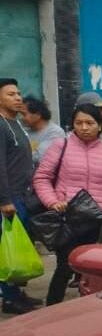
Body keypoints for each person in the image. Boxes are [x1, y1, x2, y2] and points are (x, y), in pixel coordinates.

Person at [31, 103, 102, 305]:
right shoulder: (61, 146)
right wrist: (53, 201)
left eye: (89, 123)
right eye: (78, 122)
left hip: (96, 220)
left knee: (94, 268)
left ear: (100, 125)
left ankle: (89, 308)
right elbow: (42, 177)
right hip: (68, 219)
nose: (84, 127)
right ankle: (52, 308)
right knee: (65, 266)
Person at [0, 78, 42, 314]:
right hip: (10, 199)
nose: (17, 98)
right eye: (10, 94)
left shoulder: (15, 124)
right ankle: (9, 297)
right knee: (8, 249)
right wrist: (4, 200)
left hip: (23, 197)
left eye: (18, 93)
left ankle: (17, 292)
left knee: (18, 246)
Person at [22, 97, 66, 167]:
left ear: (38, 115)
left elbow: (41, 157)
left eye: (24, 114)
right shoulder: (25, 131)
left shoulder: (55, 132)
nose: (22, 118)